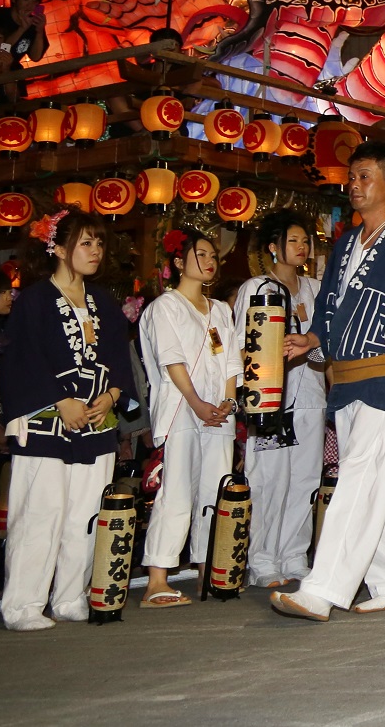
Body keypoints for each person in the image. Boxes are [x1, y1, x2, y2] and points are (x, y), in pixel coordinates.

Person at [270, 142, 385, 622]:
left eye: (365, 177)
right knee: (382, 482)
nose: (355, 186)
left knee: (358, 476)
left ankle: (324, 587)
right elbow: (329, 310)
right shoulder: (345, 244)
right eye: (351, 178)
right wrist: (309, 339)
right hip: (350, 377)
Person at [0, 210, 133, 630]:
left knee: (85, 514)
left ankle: (71, 594)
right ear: (57, 248)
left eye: (99, 243)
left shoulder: (104, 302)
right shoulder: (35, 300)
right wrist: (60, 400)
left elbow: (119, 363)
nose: (95, 251)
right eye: (85, 243)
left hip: (97, 422)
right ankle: (22, 604)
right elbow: (21, 358)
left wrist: (111, 394)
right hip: (46, 423)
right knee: (41, 512)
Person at [138, 230, 240, 606]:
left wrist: (229, 400)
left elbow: (231, 359)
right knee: (178, 490)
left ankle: (208, 572)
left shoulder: (221, 310)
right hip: (183, 407)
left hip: (219, 410)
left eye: (213, 254)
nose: (210, 260)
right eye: (201, 254)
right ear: (178, 262)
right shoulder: (165, 307)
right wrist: (197, 402)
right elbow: (170, 359)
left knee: (217, 489)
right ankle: (157, 580)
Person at [234, 211, 327, 588]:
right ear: (273, 247)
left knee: (304, 480)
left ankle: (293, 554)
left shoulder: (315, 289)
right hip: (270, 399)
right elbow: (244, 346)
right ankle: (262, 559)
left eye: (305, 240)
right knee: (270, 479)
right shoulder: (257, 288)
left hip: (310, 397)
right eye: (293, 240)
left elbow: (326, 343)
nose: (301, 247)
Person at [2, 0, 49, 65]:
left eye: (35, 1)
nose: (30, 5)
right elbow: (1, 49)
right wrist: (21, 29)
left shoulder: (34, 23)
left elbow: (35, 57)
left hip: (11, 70)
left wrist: (39, 31)